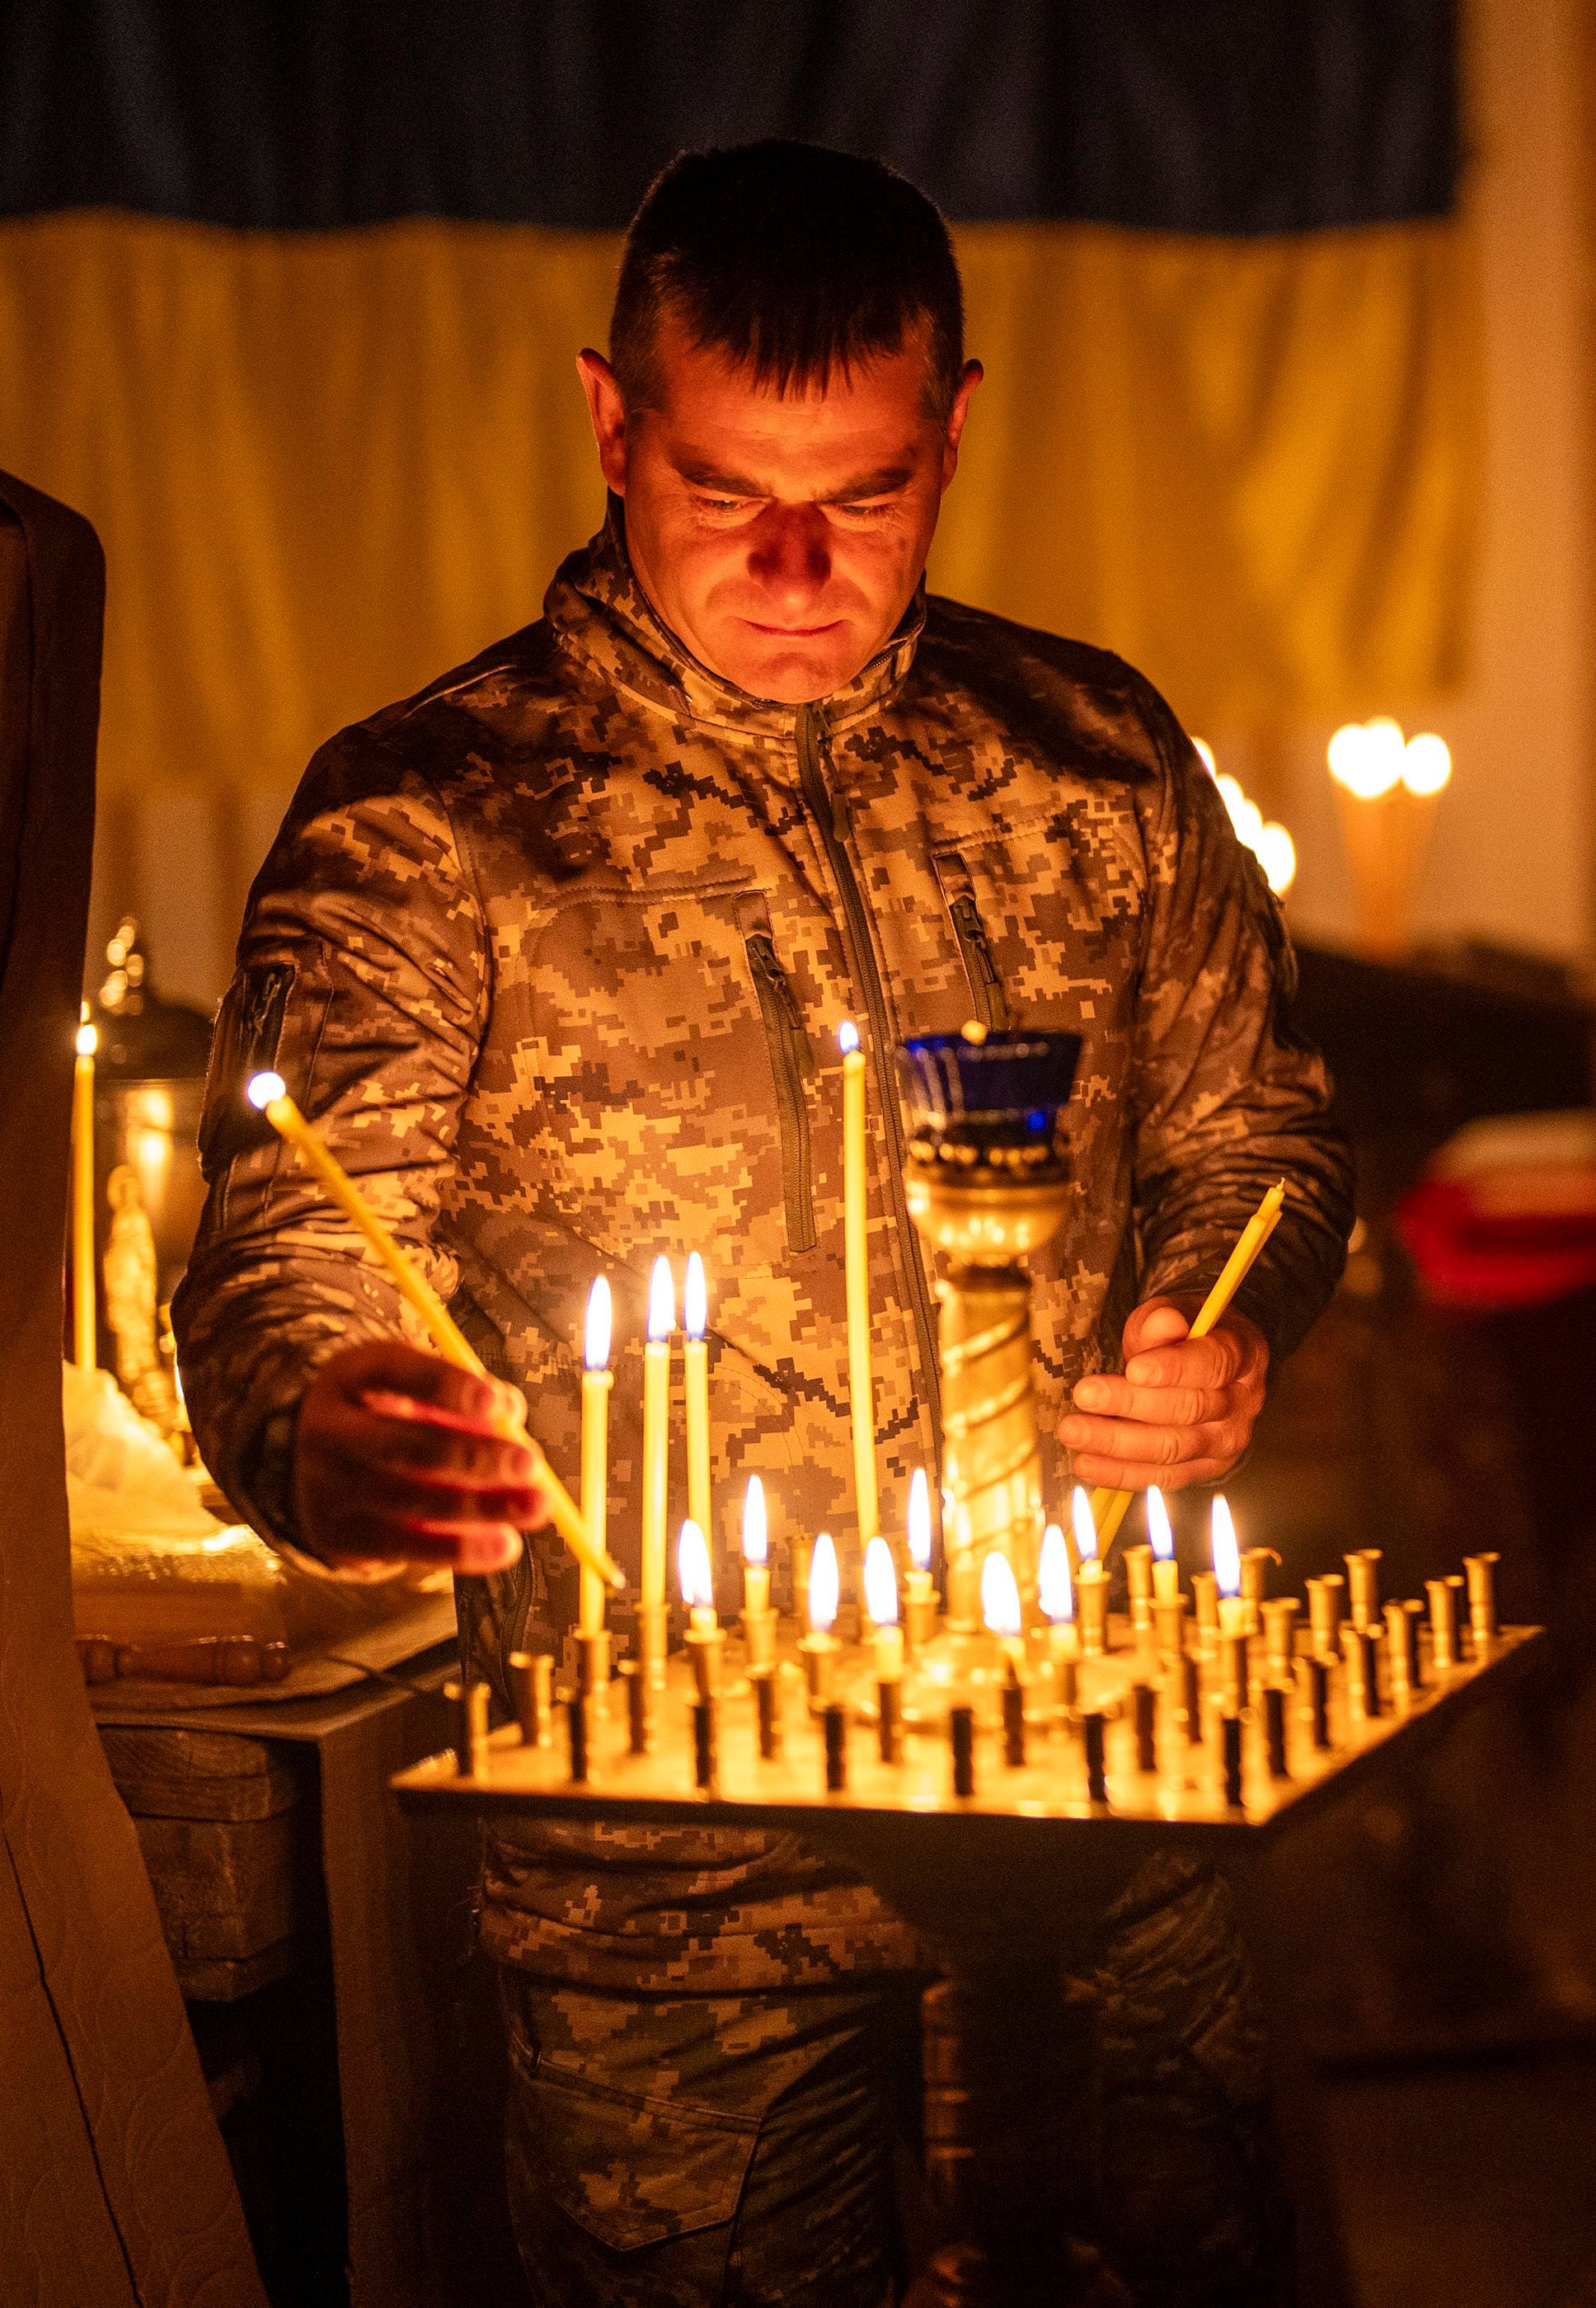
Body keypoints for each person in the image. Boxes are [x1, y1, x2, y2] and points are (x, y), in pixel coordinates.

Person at [175, 139, 1353, 2301]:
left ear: (959, 426)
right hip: (668, 1875)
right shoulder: (436, 819)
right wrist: (332, 1410)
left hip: (1093, 1811)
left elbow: (1262, 1133)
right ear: (613, 424)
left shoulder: (1089, 760)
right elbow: (285, 1258)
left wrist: (1216, 1312)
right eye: (726, 491)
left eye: (873, 493)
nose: (799, 564)